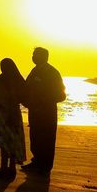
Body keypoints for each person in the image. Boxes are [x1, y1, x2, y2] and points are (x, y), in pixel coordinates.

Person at [21, 47, 65, 175]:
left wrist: (43, 100)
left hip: (47, 113)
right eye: (33, 55)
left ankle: (45, 167)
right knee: (35, 138)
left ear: (43, 57)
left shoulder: (52, 72)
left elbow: (61, 95)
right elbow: (26, 87)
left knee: (47, 139)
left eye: (35, 55)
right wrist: (26, 101)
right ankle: (36, 162)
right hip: (35, 112)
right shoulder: (34, 71)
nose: (33, 57)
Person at [0, 58, 27, 180]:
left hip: (5, 115)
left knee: (5, 141)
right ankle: (10, 168)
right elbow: (24, 96)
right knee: (12, 141)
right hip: (12, 114)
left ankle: (5, 168)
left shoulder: (2, 80)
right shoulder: (17, 79)